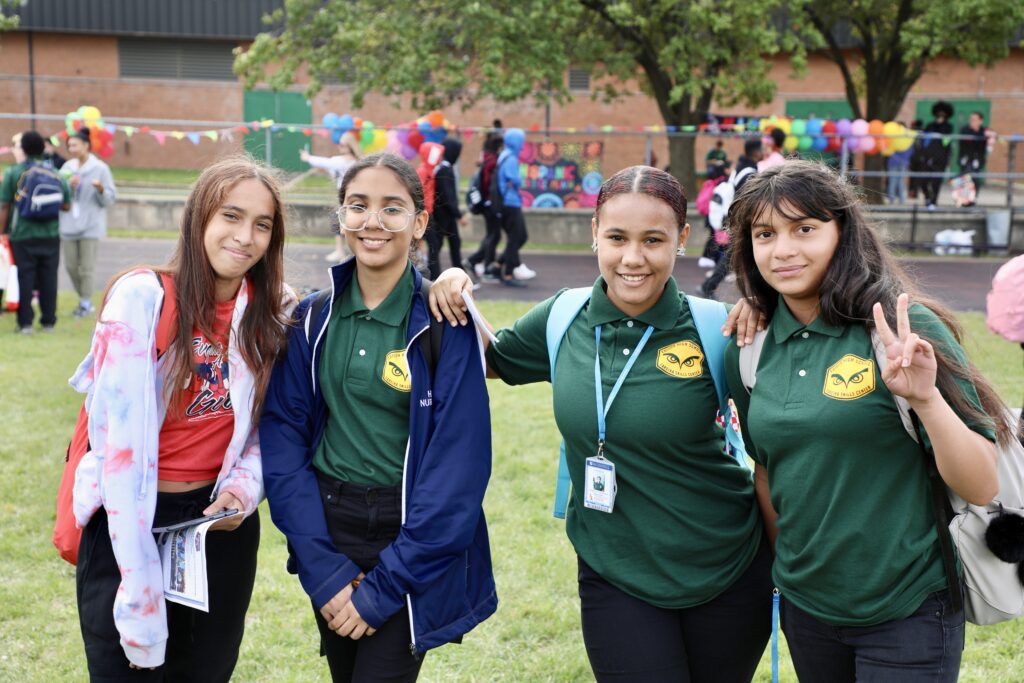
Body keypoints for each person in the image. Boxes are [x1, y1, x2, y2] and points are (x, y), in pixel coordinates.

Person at [430, 166, 772, 682]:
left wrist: (764, 304)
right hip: (614, 569)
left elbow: (772, 454)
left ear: (681, 239)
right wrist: (454, 287)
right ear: (595, 233)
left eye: (653, 240)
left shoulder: (720, 329)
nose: (633, 258)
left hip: (728, 567)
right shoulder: (562, 317)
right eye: (616, 237)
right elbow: (489, 359)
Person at [724, 160, 1013, 682]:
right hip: (807, 609)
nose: (783, 249)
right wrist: (786, 571)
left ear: (843, 230)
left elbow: (981, 479)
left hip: (908, 609)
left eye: (804, 228)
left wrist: (926, 400)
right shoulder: (749, 346)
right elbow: (765, 470)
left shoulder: (904, 328)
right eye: (764, 234)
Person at [258, 152, 497, 682]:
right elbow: (283, 438)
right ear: (340, 217)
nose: (373, 221)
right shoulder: (312, 318)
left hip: (408, 538)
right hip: (329, 528)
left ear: (418, 224)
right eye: (358, 206)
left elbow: (458, 472)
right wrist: (322, 569)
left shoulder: (444, 324)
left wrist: (385, 588)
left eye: (392, 208)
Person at [70, 156, 296, 680]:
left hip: (219, 529)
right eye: (231, 216)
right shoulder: (141, 298)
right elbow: (118, 453)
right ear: (199, 218)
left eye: (262, 225)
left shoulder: (276, 310)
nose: (245, 237)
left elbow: (277, 425)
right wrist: (141, 601)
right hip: (129, 523)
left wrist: (244, 488)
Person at [0, 130, 71, 333]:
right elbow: (66, 205)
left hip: (23, 234)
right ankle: (48, 322)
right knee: (49, 277)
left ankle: (25, 324)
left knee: (25, 277)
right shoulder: (55, 174)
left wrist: (2, 232)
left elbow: (4, 205)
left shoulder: (14, 173)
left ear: (23, 149)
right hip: (51, 235)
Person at [60, 126, 117, 317]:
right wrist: (68, 186)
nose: (72, 149)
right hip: (68, 224)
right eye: (69, 146)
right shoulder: (67, 168)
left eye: (75, 145)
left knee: (87, 267)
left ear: (86, 145)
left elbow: (110, 198)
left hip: (90, 226)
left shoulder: (100, 169)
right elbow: (58, 192)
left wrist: (101, 190)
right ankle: (84, 298)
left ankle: (85, 304)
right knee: (70, 266)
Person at [701, 140, 761, 300]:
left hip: (737, 218)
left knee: (735, 256)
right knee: (735, 256)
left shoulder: (740, 167)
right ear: (756, 153)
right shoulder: (749, 172)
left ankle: (709, 285)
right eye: (761, 150)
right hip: (743, 220)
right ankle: (708, 286)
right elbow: (745, 197)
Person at [301, 130, 362, 261]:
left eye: (342, 145)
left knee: (341, 222)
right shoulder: (353, 162)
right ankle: (342, 251)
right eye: (339, 144)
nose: (339, 147)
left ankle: (342, 252)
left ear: (349, 146)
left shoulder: (342, 161)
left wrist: (308, 158)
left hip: (346, 196)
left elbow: (326, 162)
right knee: (341, 221)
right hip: (349, 196)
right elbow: (332, 170)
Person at [488, 127, 533, 286]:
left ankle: (498, 265)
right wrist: (517, 181)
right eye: (521, 140)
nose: (522, 143)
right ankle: (508, 274)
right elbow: (515, 180)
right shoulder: (511, 158)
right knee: (517, 237)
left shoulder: (504, 155)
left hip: (507, 203)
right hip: (511, 203)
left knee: (518, 237)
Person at [463, 122, 504, 282]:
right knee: (494, 235)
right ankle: (483, 265)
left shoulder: (486, 157)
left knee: (492, 235)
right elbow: (488, 183)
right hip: (489, 203)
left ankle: (476, 261)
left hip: (487, 202)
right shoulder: (492, 161)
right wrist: (490, 199)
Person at [425, 137, 467, 279]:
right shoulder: (444, 170)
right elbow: (448, 197)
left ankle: (459, 274)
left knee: (453, 243)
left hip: (447, 215)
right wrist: (459, 215)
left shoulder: (444, 169)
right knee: (436, 246)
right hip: (442, 216)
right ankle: (433, 275)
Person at [921, 101, 955, 210]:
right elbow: (925, 138)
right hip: (928, 156)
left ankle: (933, 201)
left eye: (943, 114)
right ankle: (927, 197)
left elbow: (947, 140)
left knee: (937, 181)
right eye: (939, 113)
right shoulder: (930, 125)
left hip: (941, 157)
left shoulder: (948, 126)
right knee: (923, 180)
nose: (940, 116)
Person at [958, 111, 989, 193]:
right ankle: (964, 201)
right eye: (971, 119)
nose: (972, 121)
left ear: (980, 121)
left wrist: (991, 136)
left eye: (974, 119)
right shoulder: (965, 130)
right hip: (966, 159)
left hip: (978, 159)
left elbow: (991, 135)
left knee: (975, 180)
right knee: (965, 179)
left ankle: (973, 200)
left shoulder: (984, 131)